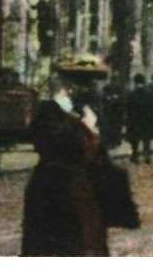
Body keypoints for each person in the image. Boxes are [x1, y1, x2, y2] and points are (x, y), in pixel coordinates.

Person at [22, 101, 107, 256]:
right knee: (76, 235)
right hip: (71, 184)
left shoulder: (39, 128)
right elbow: (90, 150)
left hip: (43, 181)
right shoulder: (74, 127)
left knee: (41, 236)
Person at [126, 74, 153, 164]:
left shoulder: (131, 94)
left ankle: (135, 156)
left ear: (135, 82)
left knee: (135, 139)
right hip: (147, 119)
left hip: (135, 120)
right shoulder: (149, 93)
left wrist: (128, 121)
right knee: (147, 138)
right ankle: (147, 156)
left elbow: (129, 109)